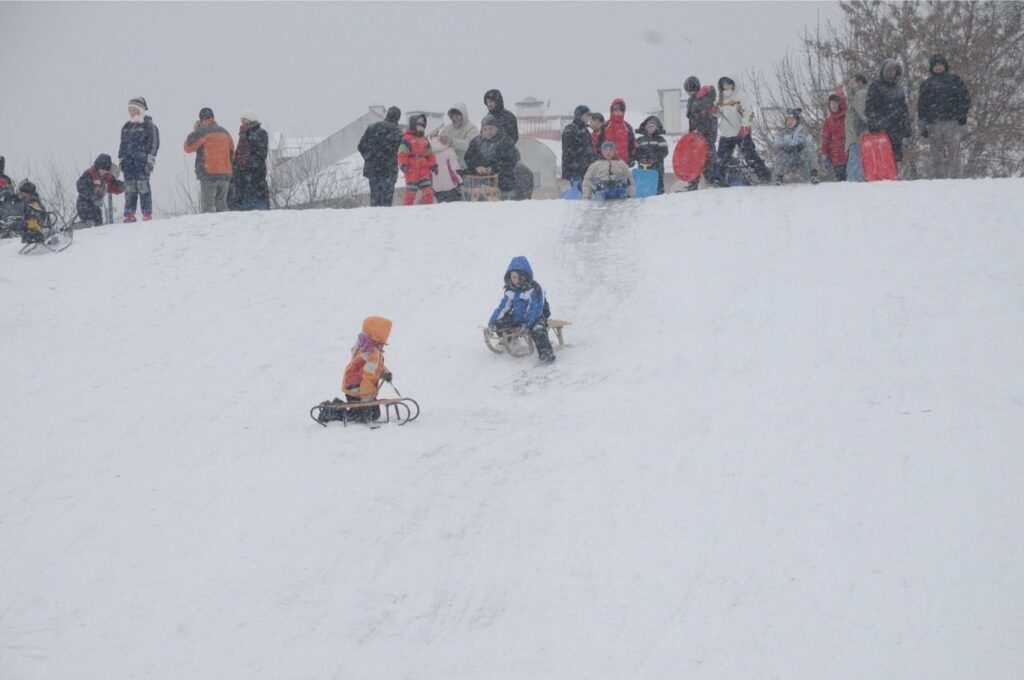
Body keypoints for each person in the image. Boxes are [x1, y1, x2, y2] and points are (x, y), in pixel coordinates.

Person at [318, 316, 394, 424]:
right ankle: (331, 413)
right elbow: (368, 375)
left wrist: (385, 373)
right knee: (364, 415)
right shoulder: (372, 354)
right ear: (378, 338)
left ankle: (337, 406)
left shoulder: (365, 348)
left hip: (355, 386)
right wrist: (366, 399)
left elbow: (376, 367)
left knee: (374, 413)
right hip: (357, 388)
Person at [488, 256, 555, 364]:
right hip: (519, 317)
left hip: (537, 316)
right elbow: (503, 307)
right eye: (512, 277)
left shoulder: (534, 288)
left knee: (538, 329)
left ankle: (546, 354)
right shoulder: (511, 290)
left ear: (522, 276)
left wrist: (528, 324)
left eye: (515, 277)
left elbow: (535, 308)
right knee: (500, 321)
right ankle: (510, 340)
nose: (513, 280)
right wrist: (493, 321)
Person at [917, 54, 971, 179]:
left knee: (954, 152)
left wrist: (962, 114)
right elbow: (921, 106)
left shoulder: (954, 80)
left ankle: (956, 178)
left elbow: (965, 98)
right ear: (932, 68)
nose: (938, 67)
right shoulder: (926, 84)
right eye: (935, 65)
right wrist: (922, 125)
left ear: (945, 66)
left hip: (951, 122)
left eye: (940, 64)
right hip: (933, 124)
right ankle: (939, 178)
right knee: (936, 154)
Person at [715, 76, 771, 184]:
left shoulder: (740, 96)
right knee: (722, 157)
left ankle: (764, 176)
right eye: (723, 84)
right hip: (726, 133)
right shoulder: (720, 98)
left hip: (741, 133)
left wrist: (745, 125)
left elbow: (748, 111)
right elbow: (720, 114)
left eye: (728, 83)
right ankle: (720, 178)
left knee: (750, 155)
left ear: (734, 83)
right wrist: (715, 111)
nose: (726, 86)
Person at [183, 107, 235, 213]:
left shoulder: (202, 131)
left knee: (208, 209)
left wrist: (196, 130)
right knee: (222, 206)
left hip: (209, 174)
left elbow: (187, 147)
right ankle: (226, 228)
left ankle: (210, 229)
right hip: (225, 175)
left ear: (201, 119)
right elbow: (232, 152)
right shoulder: (225, 132)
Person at [118, 96, 159, 222]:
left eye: (133, 108)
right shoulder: (126, 127)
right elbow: (122, 145)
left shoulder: (148, 125)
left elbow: (154, 144)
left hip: (142, 162)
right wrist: (121, 159)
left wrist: (150, 159)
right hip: (128, 163)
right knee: (130, 188)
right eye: (129, 109)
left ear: (140, 109)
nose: (131, 111)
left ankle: (147, 213)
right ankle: (129, 214)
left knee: (143, 187)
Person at [866, 58, 913, 166]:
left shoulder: (899, 89)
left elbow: (903, 109)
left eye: (894, 70)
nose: (892, 73)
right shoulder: (875, 86)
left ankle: (894, 178)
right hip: (881, 128)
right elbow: (870, 107)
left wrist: (906, 126)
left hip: (896, 129)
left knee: (896, 158)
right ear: (884, 71)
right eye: (890, 70)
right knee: (882, 157)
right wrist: (872, 123)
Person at [358, 106, 403, 207]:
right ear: (398, 118)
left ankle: (375, 220)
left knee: (375, 200)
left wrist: (370, 157)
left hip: (373, 169)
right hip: (389, 171)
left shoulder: (372, 127)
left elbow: (361, 146)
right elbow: (401, 153)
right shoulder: (398, 132)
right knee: (386, 203)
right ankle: (385, 221)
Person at [464, 115, 518, 200]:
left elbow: (512, 159)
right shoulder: (476, 142)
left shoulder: (506, 141)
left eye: (491, 129)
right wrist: (476, 166)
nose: (488, 132)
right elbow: (468, 157)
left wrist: (494, 168)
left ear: (496, 127)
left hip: (502, 180)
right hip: (480, 179)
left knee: (502, 204)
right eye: (485, 129)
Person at [684, 76, 719, 189]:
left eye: (689, 90)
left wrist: (700, 131)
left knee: (706, 159)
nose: (689, 93)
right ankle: (695, 182)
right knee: (696, 159)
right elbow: (693, 118)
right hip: (697, 134)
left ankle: (711, 181)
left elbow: (706, 118)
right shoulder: (692, 100)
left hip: (705, 134)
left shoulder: (702, 99)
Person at [230, 110, 270, 210]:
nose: (242, 123)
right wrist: (235, 169)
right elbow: (238, 154)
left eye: (244, 121)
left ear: (251, 120)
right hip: (242, 177)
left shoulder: (260, 133)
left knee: (257, 203)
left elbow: (261, 154)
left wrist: (249, 165)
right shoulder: (243, 135)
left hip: (255, 175)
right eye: (242, 121)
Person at [397, 113, 438, 206]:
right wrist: (403, 164)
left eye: (422, 127)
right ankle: (407, 208)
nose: (421, 129)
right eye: (419, 126)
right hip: (411, 168)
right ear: (413, 125)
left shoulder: (425, 139)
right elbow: (402, 153)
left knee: (428, 190)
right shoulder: (407, 138)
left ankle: (429, 206)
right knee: (410, 191)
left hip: (424, 168)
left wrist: (434, 164)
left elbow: (430, 154)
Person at [773, 108, 819, 185]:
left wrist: (802, 146)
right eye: (788, 120)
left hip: (801, 155)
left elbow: (812, 144)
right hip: (788, 155)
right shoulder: (782, 132)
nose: (789, 122)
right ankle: (779, 177)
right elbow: (776, 145)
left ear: (797, 121)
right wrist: (784, 147)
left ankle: (814, 174)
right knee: (780, 154)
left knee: (810, 150)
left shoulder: (803, 131)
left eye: (792, 120)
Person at [76, 154, 124, 225]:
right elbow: (81, 186)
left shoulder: (106, 177)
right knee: (90, 223)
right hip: (84, 203)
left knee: (98, 223)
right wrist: (92, 193)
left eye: (106, 170)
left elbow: (113, 185)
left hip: (96, 206)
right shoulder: (90, 174)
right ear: (97, 167)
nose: (103, 172)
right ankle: (78, 231)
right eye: (102, 169)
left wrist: (124, 186)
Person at [432, 103, 477, 169]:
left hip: (467, 167)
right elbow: (440, 143)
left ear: (463, 115)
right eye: (452, 116)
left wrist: (452, 141)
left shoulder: (472, 128)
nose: (455, 118)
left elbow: (471, 146)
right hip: (450, 168)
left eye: (457, 116)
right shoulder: (447, 128)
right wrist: (435, 138)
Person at [561, 105, 596, 188]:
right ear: (579, 115)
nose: (589, 117)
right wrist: (575, 168)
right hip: (574, 172)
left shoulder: (585, 131)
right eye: (587, 115)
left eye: (590, 115)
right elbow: (568, 152)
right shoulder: (570, 129)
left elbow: (589, 150)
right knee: (575, 197)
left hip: (585, 171)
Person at [634, 115, 669, 194]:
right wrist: (641, 158)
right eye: (649, 127)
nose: (650, 128)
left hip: (657, 168)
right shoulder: (640, 140)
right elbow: (636, 152)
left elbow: (664, 151)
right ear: (645, 128)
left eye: (652, 127)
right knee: (644, 184)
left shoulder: (660, 140)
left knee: (658, 184)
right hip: (642, 168)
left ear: (656, 128)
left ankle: (659, 194)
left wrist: (654, 158)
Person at [844, 73, 870, 182]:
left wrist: (863, 130)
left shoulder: (860, 94)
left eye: (852, 82)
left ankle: (853, 187)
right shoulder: (856, 95)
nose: (850, 85)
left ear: (859, 82)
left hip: (857, 136)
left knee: (855, 165)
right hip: (856, 135)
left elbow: (864, 114)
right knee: (856, 163)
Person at [820, 90, 848, 181]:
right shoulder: (828, 121)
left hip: (849, 155)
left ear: (841, 103)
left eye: (836, 103)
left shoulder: (847, 117)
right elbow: (825, 139)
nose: (833, 105)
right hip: (836, 157)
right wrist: (825, 154)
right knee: (840, 183)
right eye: (831, 103)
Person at [598, 99, 636, 166]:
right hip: (606, 162)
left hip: (623, 163)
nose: (618, 112)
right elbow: (599, 143)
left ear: (623, 111)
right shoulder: (605, 126)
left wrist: (631, 158)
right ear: (612, 111)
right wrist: (599, 157)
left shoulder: (627, 127)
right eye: (615, 110)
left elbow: (632, 145)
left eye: (620, 110)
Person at [429, 135, 463, 203]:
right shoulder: (449, 151)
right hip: (450, 187)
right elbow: (454, 169)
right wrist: (459, 182)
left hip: (436, 188)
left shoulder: (429, 152)